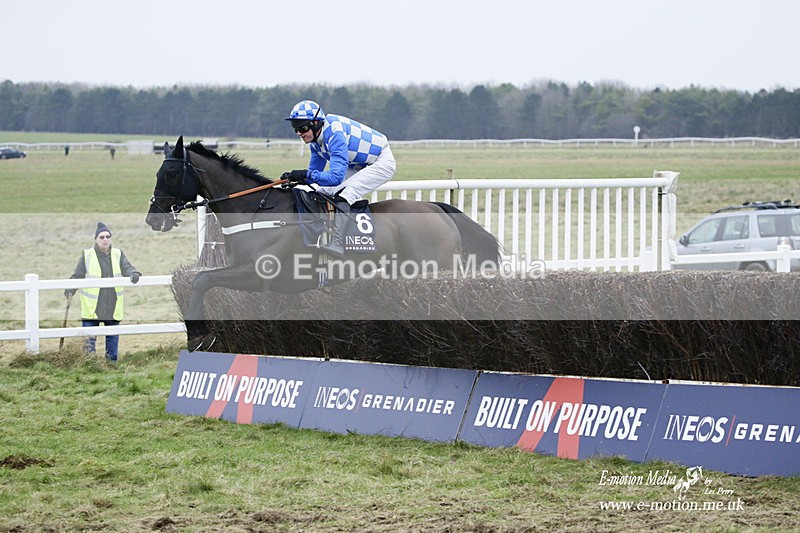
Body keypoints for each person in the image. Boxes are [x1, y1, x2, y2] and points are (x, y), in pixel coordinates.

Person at [282, 100, 396, 256]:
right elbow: (313, 174)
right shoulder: (315, 141)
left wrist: (306, 175)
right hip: (358, 164)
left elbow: (335, 177)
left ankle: (337, 243)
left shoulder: (335, 134)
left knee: (343, 195)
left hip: (381, 162)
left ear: (316, 123)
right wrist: (297, 178)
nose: (299, 133)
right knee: (320, 191)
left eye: (303, 128)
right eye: (296, 129)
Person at [65, 222, 141, 362]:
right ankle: (89, 366)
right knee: (88, 347)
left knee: (112, 347)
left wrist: (134, 273)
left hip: (113, 305)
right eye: (102, 237)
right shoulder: (87, 255)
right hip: (93, 307)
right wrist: (71, 287)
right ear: (96, 239)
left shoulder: (118, 254)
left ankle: (111, 366)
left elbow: (127, 267)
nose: (105, 239)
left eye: (108, 236)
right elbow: (78, 275)